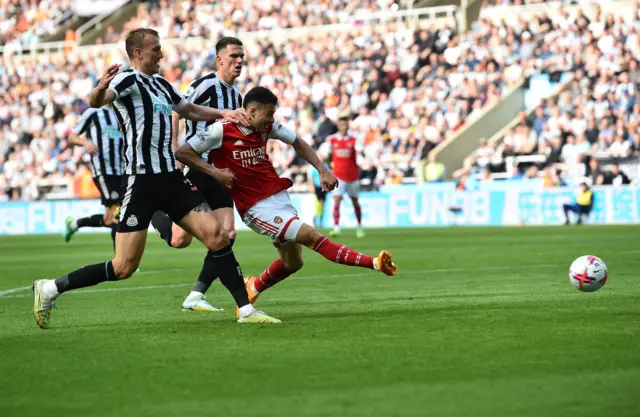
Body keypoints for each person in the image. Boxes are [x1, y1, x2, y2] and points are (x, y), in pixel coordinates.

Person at [32, 28, 279, 329]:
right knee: (123, 267)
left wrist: (224, 114)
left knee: (218, 236)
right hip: (141, 183)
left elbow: (187, 109)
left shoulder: (162, 84)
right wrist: (98, 89)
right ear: (138, 53)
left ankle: (245, 309)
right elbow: (99, 100)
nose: (162, 54)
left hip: (171, 179)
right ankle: (50, 288)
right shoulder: (126, 79)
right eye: (156, 50)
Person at [175, 87, 397, 309]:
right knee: (311, 236)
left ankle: (254, 287)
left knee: (293, 262)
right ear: (252, 111)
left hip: (279, 197)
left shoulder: (267, 127)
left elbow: (297, 141)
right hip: (256, 208)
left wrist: (323, 170)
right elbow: (183, 152)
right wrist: (216, 173)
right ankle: (375, 263)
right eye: (269, 113)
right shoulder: (221, 130)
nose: (272, 119)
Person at [149, 36, 247, 312]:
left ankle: (196, 295)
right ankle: (155, 211)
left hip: (218, 172)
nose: (240, 60)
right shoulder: (205, 85)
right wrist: (175, 150)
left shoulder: (236, 96)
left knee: (227, 233)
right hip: (196, 167)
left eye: (242, 56)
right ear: (220, 59)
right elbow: (177, 111)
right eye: (234, 55)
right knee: (180, 240)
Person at [64, 104, 124, 248]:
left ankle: (75, 224)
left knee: (110, 219)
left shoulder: (121, 113)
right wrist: (86, 143)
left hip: (121, 171)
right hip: (103, 170)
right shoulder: (93, 113)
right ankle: (121, 260)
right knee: (119, 214)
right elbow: (72, 137)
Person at [327, 117, 365, 238]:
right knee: (337, 199)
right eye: (341, 124)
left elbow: (361, 151)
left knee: (355, 201)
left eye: (345, 124)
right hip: (338, 175)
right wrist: (330, 165)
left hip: (353, 175)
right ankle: (336, 227)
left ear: (348, 126)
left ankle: (359, 227)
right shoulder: (332, 140)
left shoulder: (354, 140)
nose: (343, 127)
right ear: (338, 126)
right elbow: (327, 155)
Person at [307, 154, 331, 228]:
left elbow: (329, 175)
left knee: (322, 203)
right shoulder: (313, 167)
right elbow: (310, 178)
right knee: (319, 203)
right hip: (317, 187)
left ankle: (319, 219)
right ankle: (318, 218)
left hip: (323, 187)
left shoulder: (325, 166)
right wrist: (311, 186)